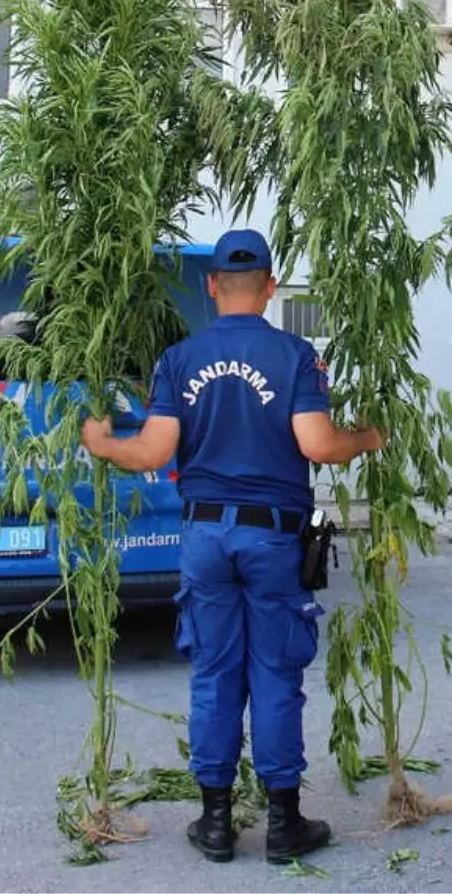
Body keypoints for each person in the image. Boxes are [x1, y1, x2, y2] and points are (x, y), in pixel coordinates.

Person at [80, 229, 384, 866]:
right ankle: (283, 824)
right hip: (272, 535)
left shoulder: (180, 358)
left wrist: (103, 443)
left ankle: (215, 822)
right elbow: (318, 445)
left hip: (205, 534)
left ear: (213, 285)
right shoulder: (295, 355)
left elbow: (155, 452)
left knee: (215, 672)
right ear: (270, 287)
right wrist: (369, 437)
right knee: (274, 672)